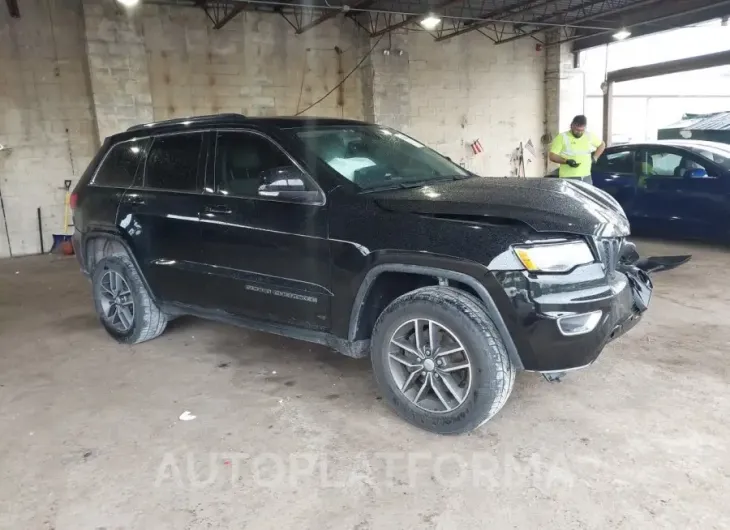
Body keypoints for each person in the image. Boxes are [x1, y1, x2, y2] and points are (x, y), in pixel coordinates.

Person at [549, 115, 605, 184]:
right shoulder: (562, 137)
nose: (579, 132)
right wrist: (566, 161)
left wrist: (595, 158)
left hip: (586, 177)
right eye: (577, 130)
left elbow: (602, 145)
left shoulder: (589, 136)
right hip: (568, 178)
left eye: (582, 130)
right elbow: (552, 156)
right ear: (571, 126)